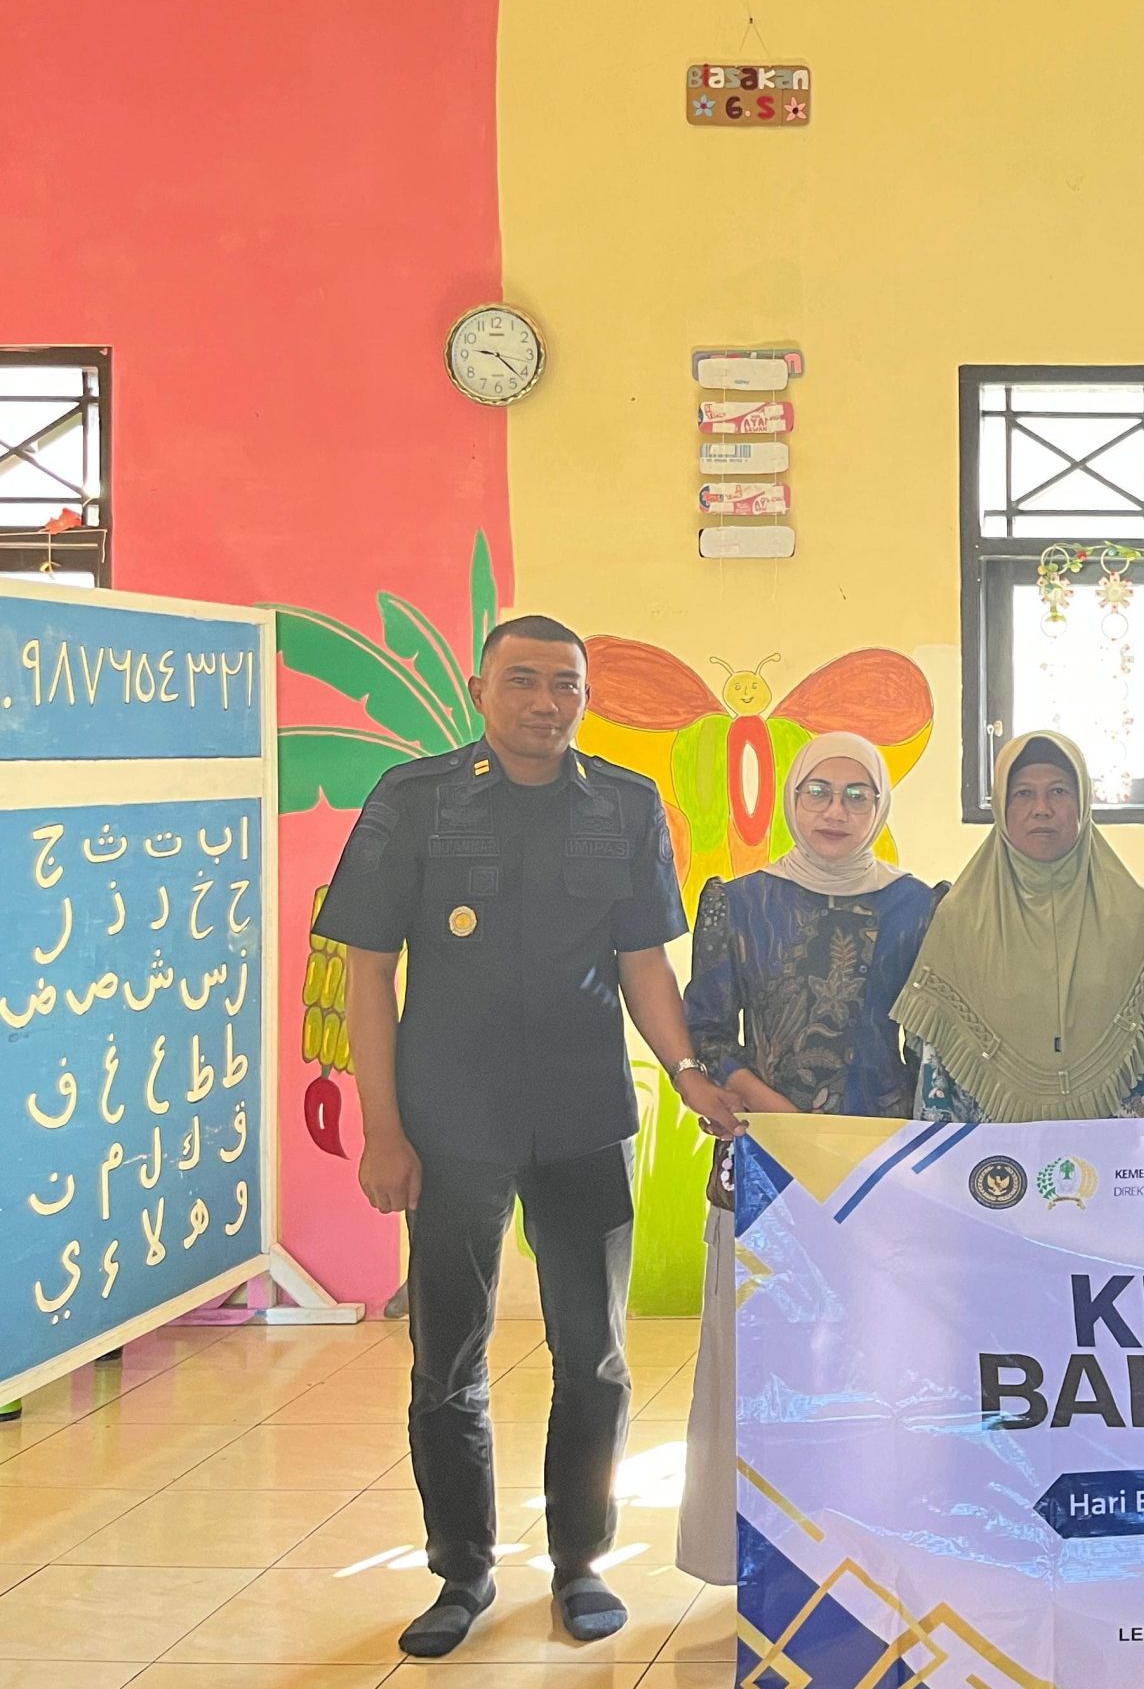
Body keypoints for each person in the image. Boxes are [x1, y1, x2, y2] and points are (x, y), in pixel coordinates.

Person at [313, 616, 742, 1659]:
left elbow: (643, 960)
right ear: (480, 687)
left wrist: (687, 1070)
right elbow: (369, 971)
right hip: (448, 1125)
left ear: (584, 697)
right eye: (522, 681)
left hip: (585, 1118)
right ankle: (460, 1570)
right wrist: (383, 1131)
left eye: (565, 685)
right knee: (446, 1359)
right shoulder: (413, 799)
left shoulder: (626, 805)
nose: (546, 703)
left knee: (593, 1358)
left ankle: (581, 1562)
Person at [675, 731, 935, 1586]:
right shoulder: (740, 902)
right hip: (766, 1164)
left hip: (880, 1177)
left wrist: (868, 1146)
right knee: (768, 1370)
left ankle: (872, 1569)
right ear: (791, 799)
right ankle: (768, 1572)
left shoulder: (918, 907)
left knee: (875, 1370)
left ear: (881, 807)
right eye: (819, 790)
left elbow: (930, 1049)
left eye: (858, 794)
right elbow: (709, 1035)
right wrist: (786, 1122)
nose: (836, 810)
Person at [899, 731, 1144, 1122]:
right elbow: (936, 1065)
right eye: (1023, 793)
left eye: (1058, 791)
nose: (1041, 809)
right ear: (1002, 808)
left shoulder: (1132, 912)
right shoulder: (960, 919)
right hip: (996, 1151)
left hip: (1119, 1145)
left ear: (1083, 803)